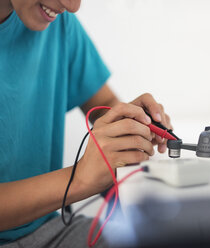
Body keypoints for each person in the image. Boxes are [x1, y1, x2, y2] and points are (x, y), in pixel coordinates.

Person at [0, 0, 172, 247]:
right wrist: (80, 180)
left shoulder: (58, 24)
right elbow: (82, 179)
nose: (72, 6)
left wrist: (128, 122)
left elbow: (102, 102)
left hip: (50, 230)